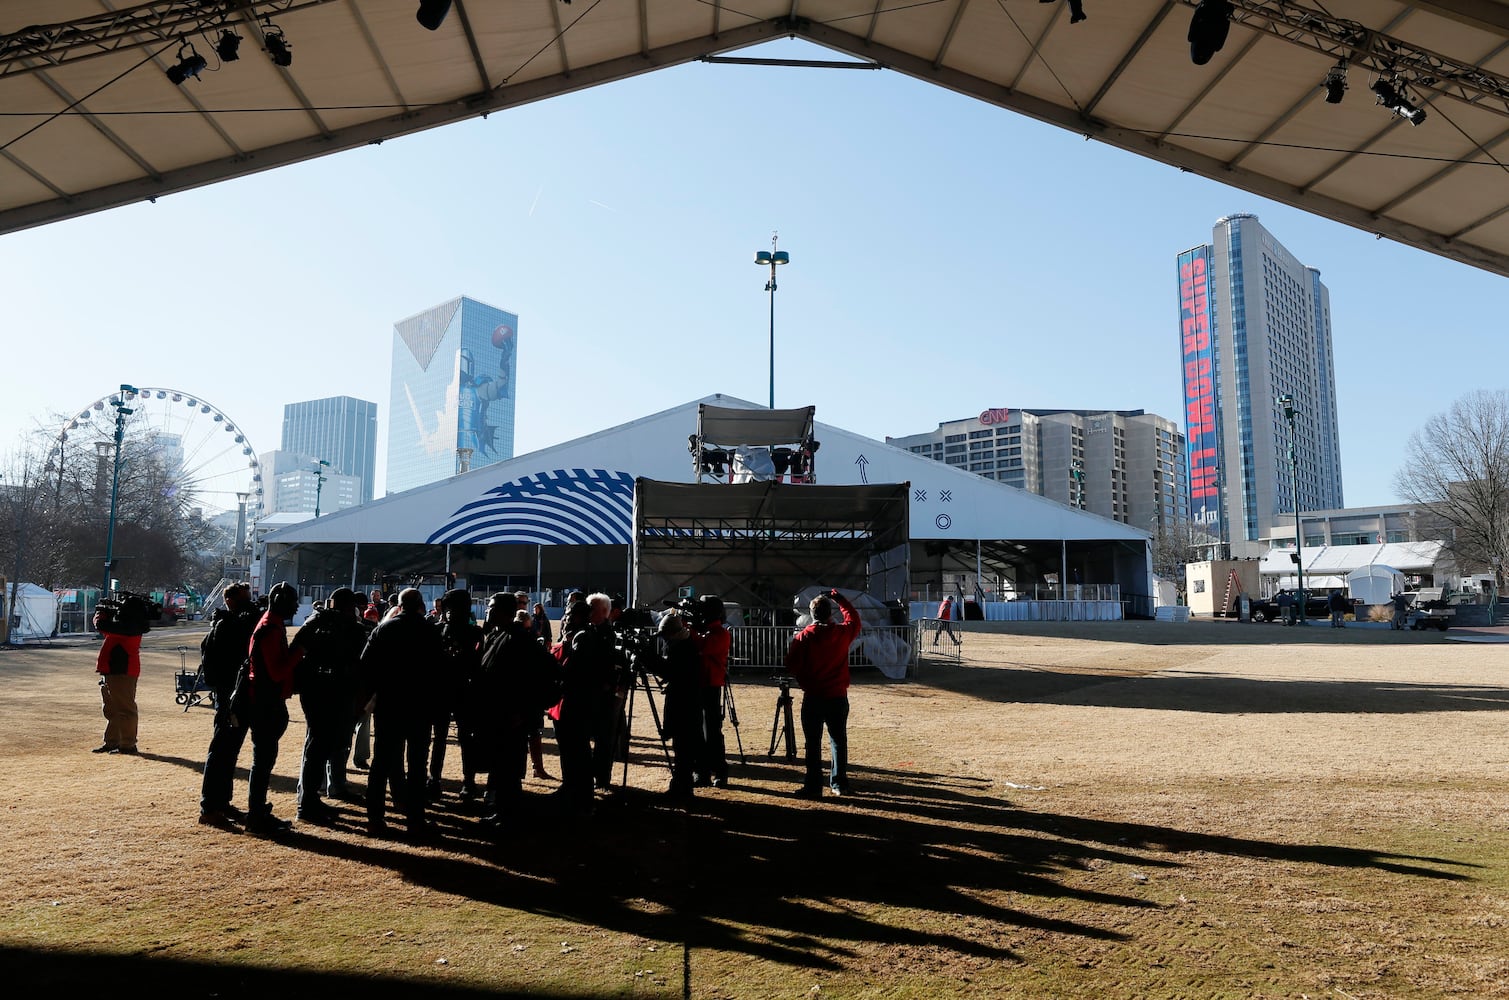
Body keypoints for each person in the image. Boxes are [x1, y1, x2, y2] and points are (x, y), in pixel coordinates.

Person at [358, 588, 442, 840]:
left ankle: (375, 819)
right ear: (420, 605)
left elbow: (365, 666)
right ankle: (415, 820)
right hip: (419, 705)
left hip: (389, 704)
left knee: (381, 763)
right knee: (417, 765)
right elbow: (440, 669)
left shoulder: (383, 629)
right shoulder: (430, 630)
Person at [290, 588, 368, 822]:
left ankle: (309, 796)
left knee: (314, 743)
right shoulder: (352, 627)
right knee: (328, 744)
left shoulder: (314, 621)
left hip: (313, 689)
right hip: (339, 690)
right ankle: (309, 802)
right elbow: (360, 661)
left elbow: (296, 650)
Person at [785, 588, 862, 799]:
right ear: (831, 613)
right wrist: (839, 597)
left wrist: (804, 679)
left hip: (814, 696)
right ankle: (839, 783)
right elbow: (854, 619)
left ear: (812, 614)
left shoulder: (804, 637)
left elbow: (792, 665)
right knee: (838, 740)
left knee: (813, 742)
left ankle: (813, 785)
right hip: (837, 695)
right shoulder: (842, 633)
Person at [243, 582, 305, 835]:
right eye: (292, 602)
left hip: (267, 701)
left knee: (264, 761)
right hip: (265, 703)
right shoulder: (269, 628)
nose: (296, 606)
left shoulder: (272, 624)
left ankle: (258, 812)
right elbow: (277, 671)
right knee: (262, 762)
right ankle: (256, 816)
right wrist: (299, 652)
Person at [197, 583, 260, 827]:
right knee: (221, 749)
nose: (249, 605)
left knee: (229, 750)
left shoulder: (228, 623)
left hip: (233, 692)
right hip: (228, 694)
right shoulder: (226, 626)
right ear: (231, 601)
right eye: (244, 600)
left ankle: (221, 802)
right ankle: (210, 806)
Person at [645, 610, 704, 799]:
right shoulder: (684, 644)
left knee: (683, 748)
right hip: (685, 703)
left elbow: (670, 672)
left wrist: (649, 659)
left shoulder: (683, 649)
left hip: (684, 705)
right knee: (682, 747)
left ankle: (682, 786)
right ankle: (680, 784)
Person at [435, 589, 484, 802]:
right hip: (463, 690)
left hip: (447, 690)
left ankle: (436, 780)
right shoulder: (474, 633)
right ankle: (466, 782)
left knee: (442, 738)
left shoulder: (438, 631)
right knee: (464, 739)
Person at [91, 593, 151, 755]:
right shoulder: (128, 625)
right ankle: (112, 741)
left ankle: (128, 744)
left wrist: (100, 615)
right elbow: (108, 630)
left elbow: (102, 626)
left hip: (122, 671)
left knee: (125, 709)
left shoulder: (131, 626)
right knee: (112, 709)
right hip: (113, 670)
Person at [691, 594, 731, 788]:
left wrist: (688, 629)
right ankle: (702, 770)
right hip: (699, 684)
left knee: (713, 731)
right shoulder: (706, 631)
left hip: (711, 685)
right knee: (698, 730)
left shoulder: (720, 633)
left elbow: (704, 647)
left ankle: (719, 771)